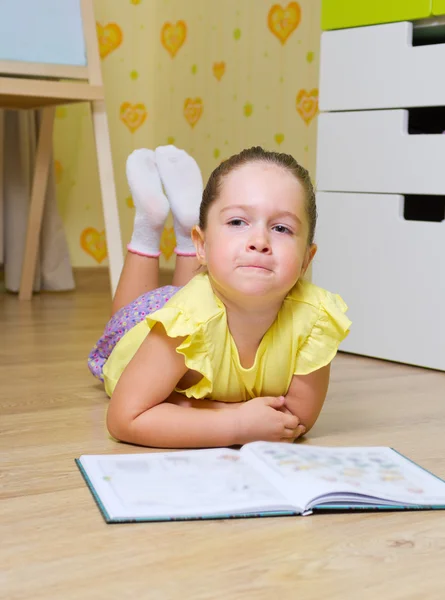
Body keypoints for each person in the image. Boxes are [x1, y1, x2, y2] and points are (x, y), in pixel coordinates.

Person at [88, 145, 351, 449]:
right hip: (144, 328)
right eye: (238, 222)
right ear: (205, 244)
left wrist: (184, 409)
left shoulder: (315, 319)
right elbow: (125, 419)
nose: (259, 241)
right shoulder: (184, 323)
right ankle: (149, 224)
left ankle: (190, 232)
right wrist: (236, 423)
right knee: (125, 318)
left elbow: (294, 420)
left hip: (204, 297)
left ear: (307, 259)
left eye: (281, 228)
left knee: (214, 277)